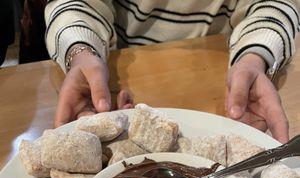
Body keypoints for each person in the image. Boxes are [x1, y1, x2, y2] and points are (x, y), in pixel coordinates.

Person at [45, 0, 300, 143]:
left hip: (221, 100)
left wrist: (255, 57)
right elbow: (75, 4)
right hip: (119, 89)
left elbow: (273, 6)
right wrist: (80, 52)